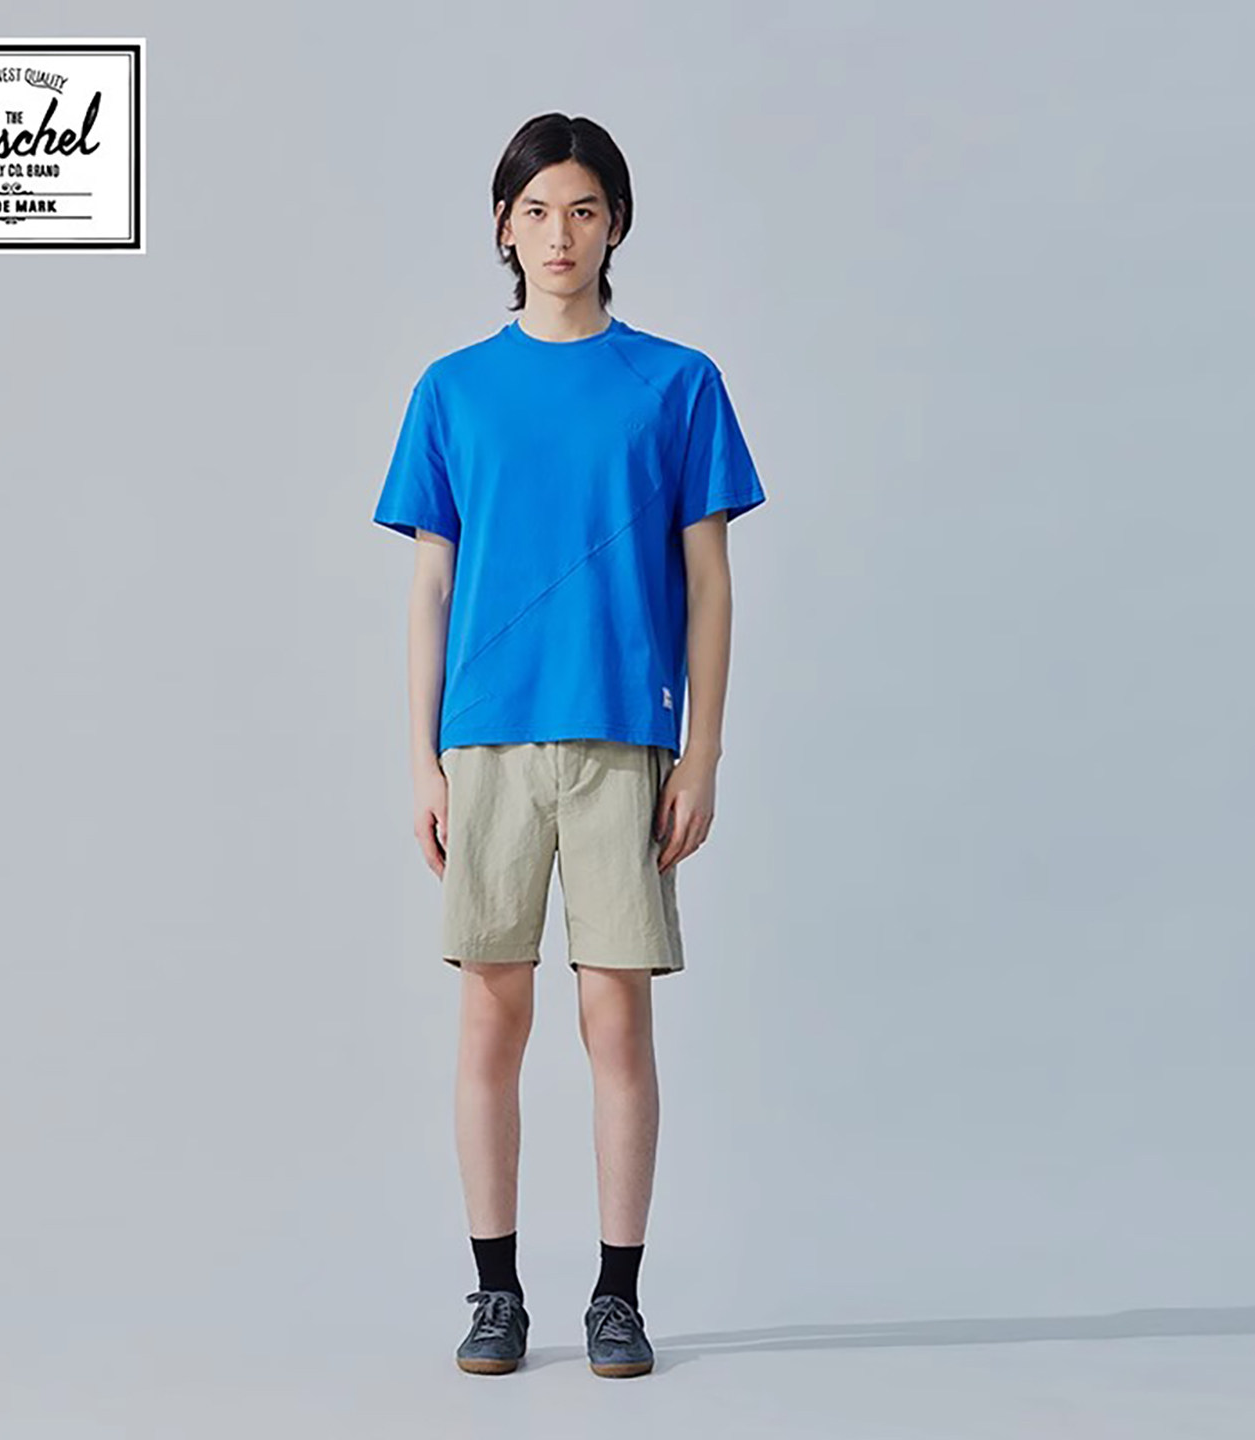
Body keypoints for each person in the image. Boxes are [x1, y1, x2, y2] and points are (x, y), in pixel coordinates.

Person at [372, 112, 766, 1379]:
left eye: (584, 211)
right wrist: (423, 760)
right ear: (503, 226)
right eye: (537, 210)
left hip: (623, 742)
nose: (560, 235)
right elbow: (432, 587)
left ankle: (617, 1295)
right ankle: (496, 1291)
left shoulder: (677, 384)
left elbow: (708, 581)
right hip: (487, 745)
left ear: (616, 226)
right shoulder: (453, 390)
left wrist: (702, 754)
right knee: (491, 1018)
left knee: (617, 1020)